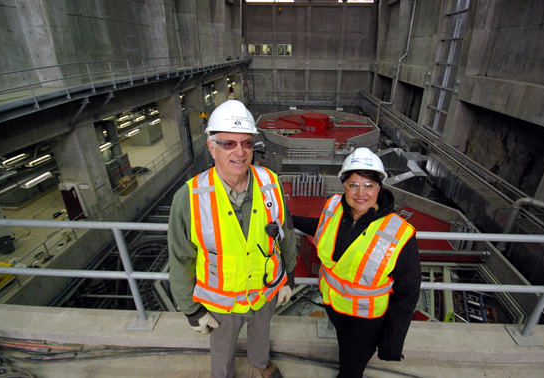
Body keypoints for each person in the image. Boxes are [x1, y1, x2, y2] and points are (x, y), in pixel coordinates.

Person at [168, 100, 296, 378]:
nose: (240, 152)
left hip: (265, 293)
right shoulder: (189, 199)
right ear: (212, 148)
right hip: (221, 304)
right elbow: (180, 260)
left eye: (247, 143)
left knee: (262, 336)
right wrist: (191, 310)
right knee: (222, 351)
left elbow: (286, 236)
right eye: (228, 144)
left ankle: (260, 363)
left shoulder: (270, 184)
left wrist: (289, 278)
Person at [292, 147, 421, 378]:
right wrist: (288, 221)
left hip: (365, 322)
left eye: (369, 185)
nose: (361, 193)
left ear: (379, 187)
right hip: (334, 307)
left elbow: (407, 293)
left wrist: (392, 341)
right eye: (353, 184)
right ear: (344, 185)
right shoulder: (334, 208)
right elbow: (321, 227)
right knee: (345, 352)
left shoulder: (398, 233)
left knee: (351, 369)